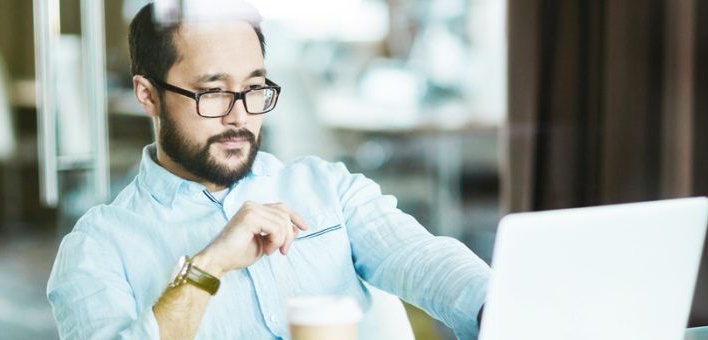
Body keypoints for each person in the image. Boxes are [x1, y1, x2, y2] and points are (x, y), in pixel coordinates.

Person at [46, 1, 491, 339]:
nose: (240, 117)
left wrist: (498, 304)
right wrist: (209, 265)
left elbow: (421, 258)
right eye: (214, 92)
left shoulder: (327, 187)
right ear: (148, 94)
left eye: (255, 89)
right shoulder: (98, 248)